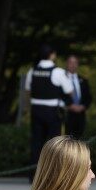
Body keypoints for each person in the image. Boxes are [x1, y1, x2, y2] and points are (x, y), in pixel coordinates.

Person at [25, 44, 73, 180]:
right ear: (52, 55)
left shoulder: (32, 70)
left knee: (36, 143)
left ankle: (34, 175)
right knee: (55, 143)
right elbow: (69, 90)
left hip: (36, 110)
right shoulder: (57, 72)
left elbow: (28, 91)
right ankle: (54, 175)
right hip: (52, 112)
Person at [64, 55, 92, 139]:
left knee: (78, 141)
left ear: (77, 65)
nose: (72, 65)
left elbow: (88, 97)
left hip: (80, 116)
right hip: (66, 115)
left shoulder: (83, 80)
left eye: (75, 63)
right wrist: (70, 105)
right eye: (70, 62)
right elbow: (59, 95)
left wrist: (83, 106)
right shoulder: (61, 79)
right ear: (67, 64)